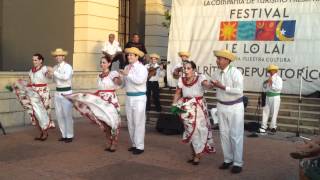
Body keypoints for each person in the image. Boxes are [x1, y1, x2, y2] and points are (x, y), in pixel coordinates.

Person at [64, 56, 122, 152]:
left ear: (109, 63)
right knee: (104, 121)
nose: (102, 64)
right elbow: (99, 89)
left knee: (113, 121)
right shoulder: (99, 75)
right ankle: (108, 140)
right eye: (101, 62)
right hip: (100, 100)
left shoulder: (113, 73)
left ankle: (114, 142)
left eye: (104, 62)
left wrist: (118, 78)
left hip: (110, 100)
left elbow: (119, 83)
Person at [172, 61, 216, 165]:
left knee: (198, 131)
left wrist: (211, 84)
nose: (186, 71)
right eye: (184, 69)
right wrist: (174, 105)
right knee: (189, 131)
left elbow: (207, 85)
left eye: (188, 68)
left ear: (194, 69)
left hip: (198, 107)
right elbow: (178, 93)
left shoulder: (200, 77)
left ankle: (197, 155)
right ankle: (194, 154)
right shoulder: (181, 79)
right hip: (186, 107)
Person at [211, 50, 244, 174]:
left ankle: (238, 162)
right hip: (221, 106)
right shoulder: (216, 73)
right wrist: (208, 84)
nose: (217, 61)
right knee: (224, 134)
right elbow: (212, 85)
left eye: (219, 59)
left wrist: (223, 87)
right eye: (217, 58)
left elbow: (239, 91)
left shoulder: (236, 73)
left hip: (235, 107)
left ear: (227, 60)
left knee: (236, 135)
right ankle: (228, 159)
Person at [13, 53, 55, 141]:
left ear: (40, 61)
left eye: (36, 60)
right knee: (35, 113)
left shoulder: (44, 69)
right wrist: (20, 85)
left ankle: (45, 133)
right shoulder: (31, 71)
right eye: (33, 60)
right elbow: (30, 82)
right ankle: (41, 132)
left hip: (42, 93)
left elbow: (49, 75)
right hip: (33, 93)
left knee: (42, 113)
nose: (34, 61)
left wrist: (51, 72)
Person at [119, 47, 148, 155]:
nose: (129, 56)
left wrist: (127, 75)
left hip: (139, 97)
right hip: (129, 96)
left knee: (138, 121)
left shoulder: (142, 68)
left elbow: (139, 81)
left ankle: (140, 146)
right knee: (130, 122)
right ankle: (134, 144)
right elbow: (124, 84)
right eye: (128, 55)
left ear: (137, 56)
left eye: (131, 55)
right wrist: (119, 80)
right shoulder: (127, 67)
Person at [47, 48, 74, 143]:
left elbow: (65, 77)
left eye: (59, 55)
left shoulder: (68, 67)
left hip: (67, 92)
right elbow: (54, 80)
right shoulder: (55, 67)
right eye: (56, 56)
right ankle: (64, 134)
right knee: (59, 114)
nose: (57, 57)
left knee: (67, 114)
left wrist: (53, 72)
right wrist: (49, 75)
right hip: (58, 92)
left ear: (63, 56)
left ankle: (69, 135)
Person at [258, 64, 283, 134]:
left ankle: (273, 126)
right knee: (265, 111)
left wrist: (271, 83)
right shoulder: (268, 78)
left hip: (275, 97)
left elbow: (278, 88)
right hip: (267, 96)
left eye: (271, 70)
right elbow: (264, 87)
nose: (269, 71)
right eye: (269, 70)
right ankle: (263, 126)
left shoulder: (278, 79)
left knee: (274, 112)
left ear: (274, 71)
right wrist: (265, 84)